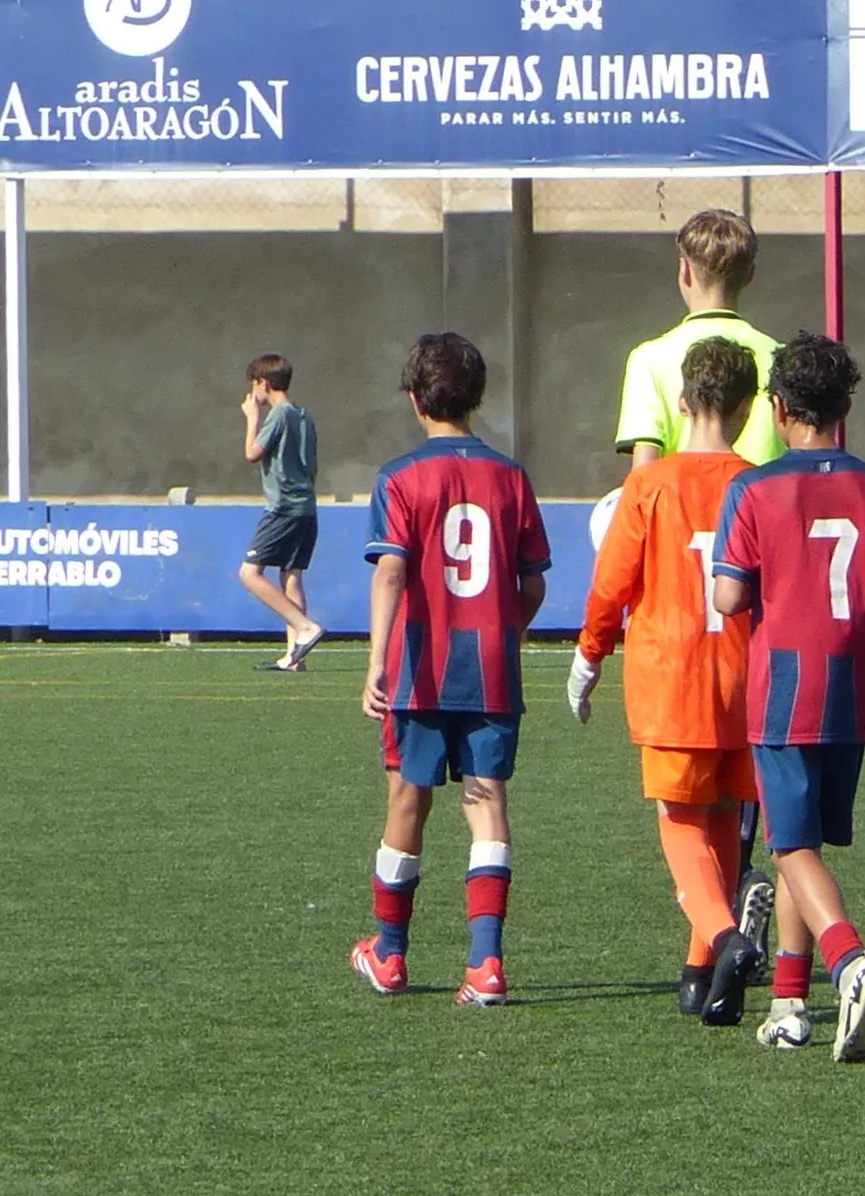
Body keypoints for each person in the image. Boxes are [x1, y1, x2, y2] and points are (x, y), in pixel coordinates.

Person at [711, 335, 865, 1063]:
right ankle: (791, 1003)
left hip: (786, 684)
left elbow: (730, 592)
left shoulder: (756, 488)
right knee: (809, 845)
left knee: (790, 845)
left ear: (777, 408)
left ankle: (849, 960)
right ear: (846, 408)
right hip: (851, 684)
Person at [350, 332, 549, 1007]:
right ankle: (486, 963)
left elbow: (393, 570)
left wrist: (378, 660)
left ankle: (390, 951)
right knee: (487, 802)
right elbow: (531, 585)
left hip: (421, 671)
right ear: (478, 396)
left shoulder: (399, 477)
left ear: (414, 399)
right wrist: (502, 630)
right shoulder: (511, 476)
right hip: (491, 668)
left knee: (408, 799)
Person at [569, 335, 763, 1024]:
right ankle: (697, 974)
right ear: (746, 409)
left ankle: (726, 937)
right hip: (747, 679)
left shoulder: (649, 485)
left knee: (680, 821)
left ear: (682, 403)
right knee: (726, 822)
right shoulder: (756, 482)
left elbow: (611, 584)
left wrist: (589, 655)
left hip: (672, 675)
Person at [615, 208, 783, 475]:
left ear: (684, 271)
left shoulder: (648, 359)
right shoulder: (780, 357)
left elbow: (643, 473)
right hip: (762, 512)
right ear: (750, 276)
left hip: (685, 514)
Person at [238, 353, 324, 669]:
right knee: (291, 576)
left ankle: (305, 627)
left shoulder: (280, 414)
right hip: (306, 507)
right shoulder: (305, 416)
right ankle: (294, 657)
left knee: (249, 573)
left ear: (263, 383)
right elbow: (312, 465)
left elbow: (251, 453)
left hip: (283, 508)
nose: (253, 394)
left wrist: (252, 418)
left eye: (254, 386)